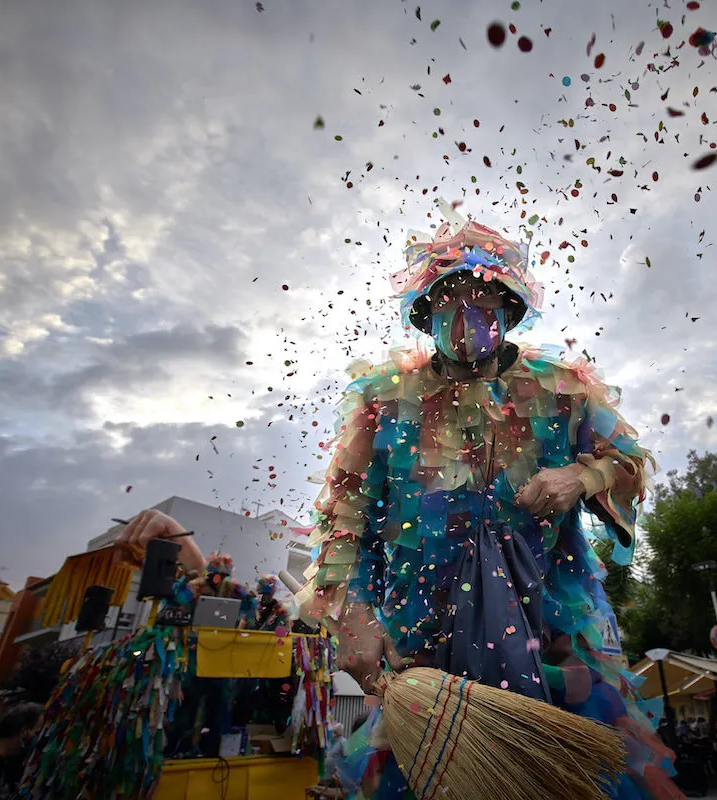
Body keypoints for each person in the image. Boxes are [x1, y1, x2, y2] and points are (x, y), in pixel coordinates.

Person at [118, 204, 681, 799]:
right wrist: (352, 616)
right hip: (426, 641)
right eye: (449, 299)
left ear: (511, 308)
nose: (468, 315)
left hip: (550, 627)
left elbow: (632, 464)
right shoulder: (383, 402)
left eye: (486, 299)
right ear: (427, 311)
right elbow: (341, 520)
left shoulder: (562, 387)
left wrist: (581, 477)